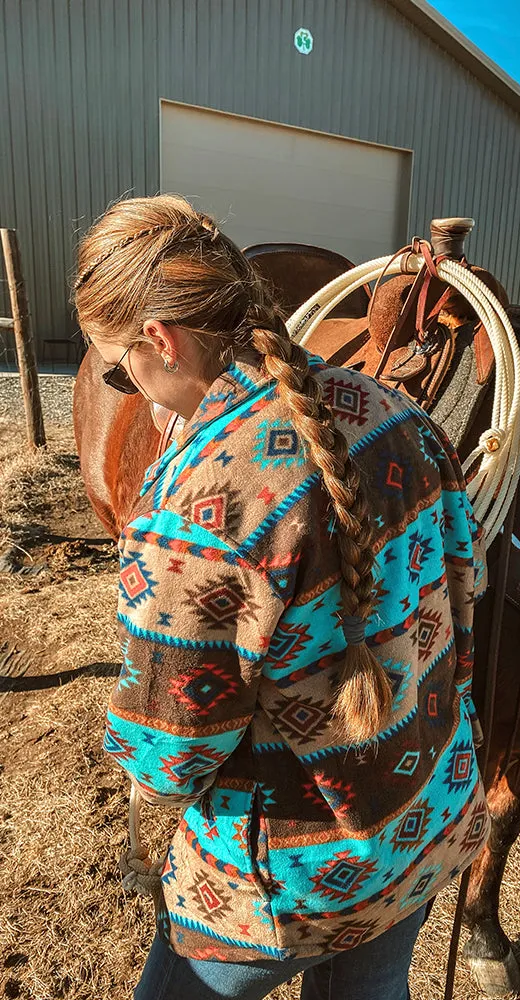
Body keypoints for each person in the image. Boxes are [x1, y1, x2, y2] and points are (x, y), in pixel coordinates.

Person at [73, 195, 491, 1000]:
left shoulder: (193, 508)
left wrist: (128, 743)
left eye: (121, 368)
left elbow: (170, 758)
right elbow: (462, 599)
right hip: (425, 819)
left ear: (160, 339)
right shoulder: (400, 413)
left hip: (285, 886)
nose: (129, 386)